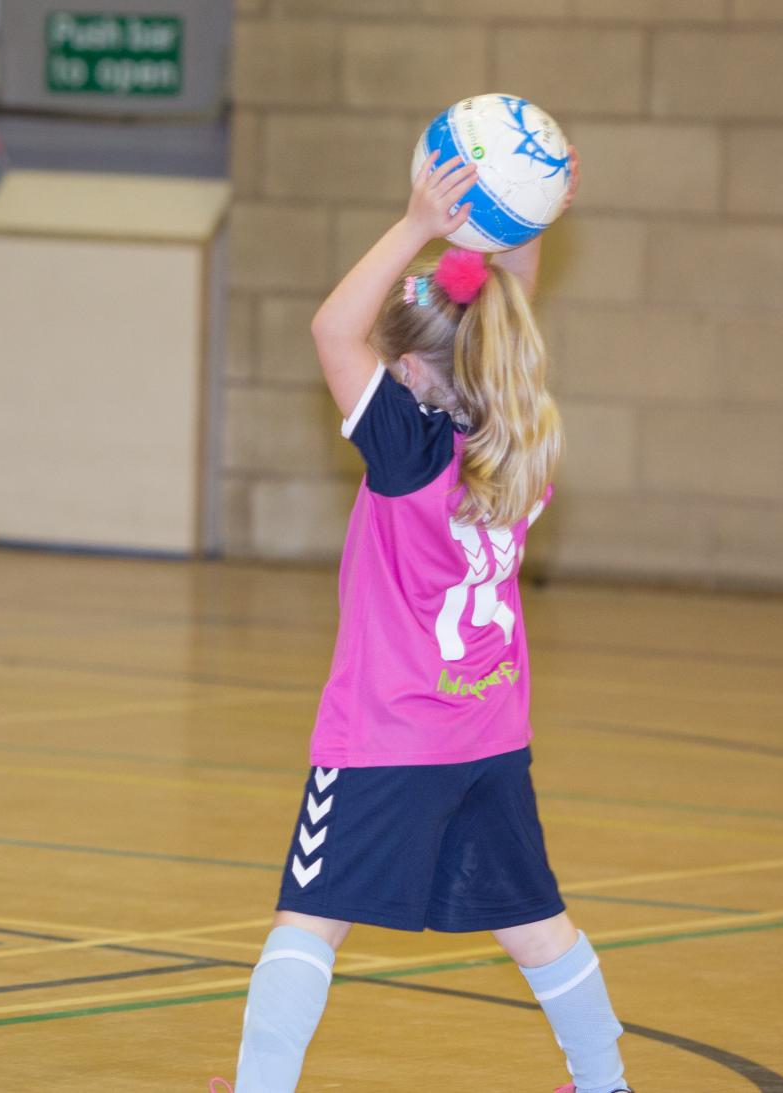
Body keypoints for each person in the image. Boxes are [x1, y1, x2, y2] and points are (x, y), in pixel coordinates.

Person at [218, 156, 627, 1092]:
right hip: (487, 732)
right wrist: (518, 227)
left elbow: (330, 327)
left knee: (309, 920)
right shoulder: (516, 439)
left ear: (405, 371)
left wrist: (417, 223)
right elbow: (503, 325)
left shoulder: (409, 451)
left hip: (385, 738)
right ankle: (605, 1083)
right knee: (535, 925)